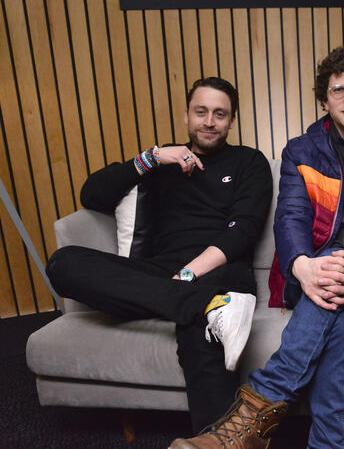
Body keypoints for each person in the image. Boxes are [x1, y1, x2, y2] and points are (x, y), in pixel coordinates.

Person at [172, 45, 344, 449]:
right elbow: (290, 219)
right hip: (313, 276)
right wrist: (304, 266)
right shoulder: (301, 150)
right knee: (340, 316)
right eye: (338, 89)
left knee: (335, 298)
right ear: (324, 99)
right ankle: (330, 443)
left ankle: (251, 419)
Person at [47, 77, 272, 432]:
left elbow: (244, 230)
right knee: (63, 263)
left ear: (231, 121)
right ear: (186, 116)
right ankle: (204, 306)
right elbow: (92, 196)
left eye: (219, 114)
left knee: (201, 331)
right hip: (161, 273)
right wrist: (149, 158)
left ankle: (214, 438)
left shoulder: (249, 162)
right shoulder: (162, 161)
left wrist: (188, 276)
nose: (209, 121)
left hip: (220, 269)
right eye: (201, 112)